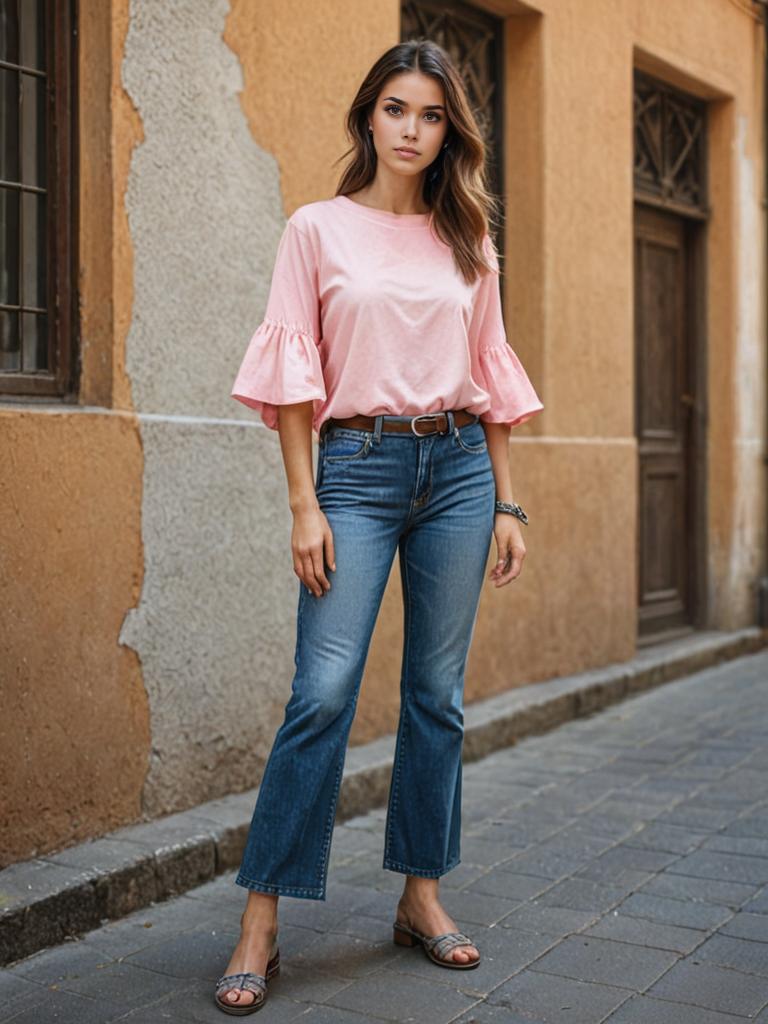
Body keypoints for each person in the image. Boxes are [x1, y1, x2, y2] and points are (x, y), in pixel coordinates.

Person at [214, 37, 544, 1015]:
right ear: (369, 117)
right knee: (320, 693)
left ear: (451, 132)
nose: (413, 129)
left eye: (432, 114)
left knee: (438, 696)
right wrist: (302, 501)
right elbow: (290, 378)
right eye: (397, 108)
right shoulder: (316, 230)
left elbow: (488, 374)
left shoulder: (468, 236)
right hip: (351, 471)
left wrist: (508, 499)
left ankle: (421, 895)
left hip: (455, 475)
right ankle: (260, 921)